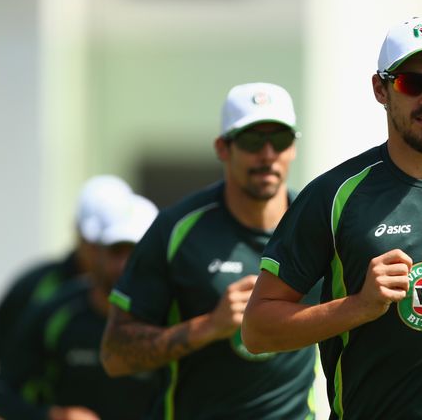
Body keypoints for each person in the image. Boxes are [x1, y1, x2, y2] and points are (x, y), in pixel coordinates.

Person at [242, 17, 422, 419]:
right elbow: (257, 330)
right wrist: (358, 306)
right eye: (412, 82)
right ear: (381, 89)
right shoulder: (335, 196)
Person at [100, 82, 317, 419]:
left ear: (294, 149)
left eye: (280, 140)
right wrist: (210, 326)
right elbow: (115, 354)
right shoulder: (177, 229)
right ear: (222, 148)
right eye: (251, 140)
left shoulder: (317, 225)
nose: (267, 154)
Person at [0, 175, 134, 420]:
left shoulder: (144, 295)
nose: (99, 253)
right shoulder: (39, 286)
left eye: (118, 246)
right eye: (92, 242)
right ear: (77, 233)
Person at [0, 192, 161, 420]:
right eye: (116, 251)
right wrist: (56, 416)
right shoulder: (55, 311)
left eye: (136, 253)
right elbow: (1, 396)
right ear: (94, 251)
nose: (124, 265)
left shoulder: (170, 318)